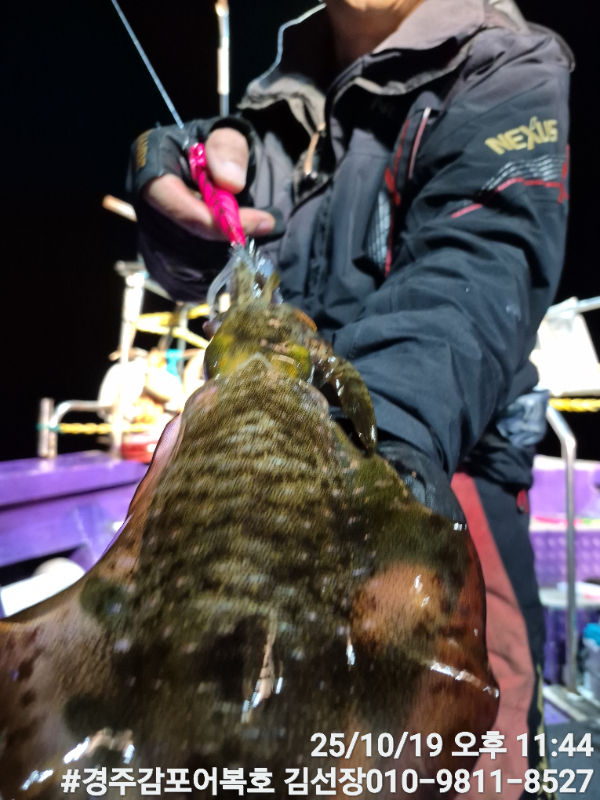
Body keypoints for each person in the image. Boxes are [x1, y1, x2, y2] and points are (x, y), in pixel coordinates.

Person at [127, 0, 572, 796]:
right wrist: (177, 211)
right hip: (250, 491)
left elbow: (475, 276)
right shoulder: (274, 113)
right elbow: (212, 261)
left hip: (438, 482)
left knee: (465, 762)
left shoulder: (506, 64)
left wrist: (361, 467)